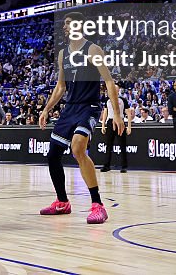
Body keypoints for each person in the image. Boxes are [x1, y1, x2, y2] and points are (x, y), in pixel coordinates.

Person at [38, 12, 124, 224]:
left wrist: (118, 114)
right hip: (70, 108)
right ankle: (62, 202)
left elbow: (109, 83)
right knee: (52, 155)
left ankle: (98, 205)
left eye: (70, 24)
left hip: (89, 107)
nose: (66, 28)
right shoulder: (62, 54)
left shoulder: (93, 49)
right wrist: (46, 109)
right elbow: (61, 87)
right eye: (65, 25)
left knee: (78, 148)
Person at [100, 81, 133, 173]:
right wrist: (103, 125)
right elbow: (105, 113)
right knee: (108, 145)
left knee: (122, 144)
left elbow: (128, 113)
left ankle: (124, 166)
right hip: (110, 121)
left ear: (118, 90)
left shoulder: (123, 100)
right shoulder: (107, 100)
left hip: (120, 121)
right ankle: (106, 165)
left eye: (116, 89)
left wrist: (129, 126)